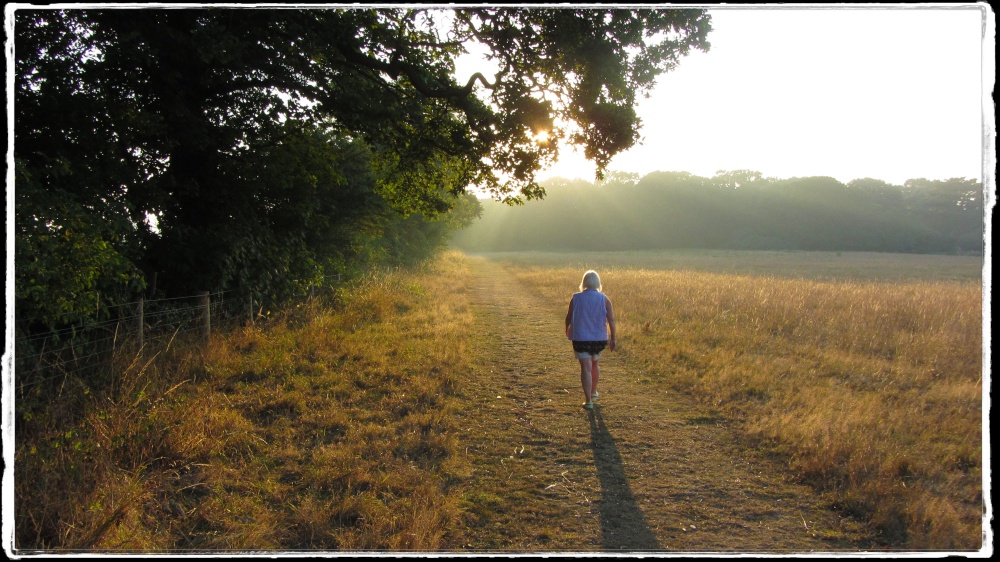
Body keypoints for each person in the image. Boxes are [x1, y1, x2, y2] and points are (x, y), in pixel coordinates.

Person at [565, 270, 616, 410]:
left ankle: (588, 401)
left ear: (584, 282)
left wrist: (567, 328)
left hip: (580, 338)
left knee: (585, 368)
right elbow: (611, 320)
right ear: (598, 283)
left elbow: (569, 317)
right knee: (595, 365)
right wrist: (613, 338)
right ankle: (593, 392)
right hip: (599, 339)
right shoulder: (604, 299)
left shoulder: (576, 298)